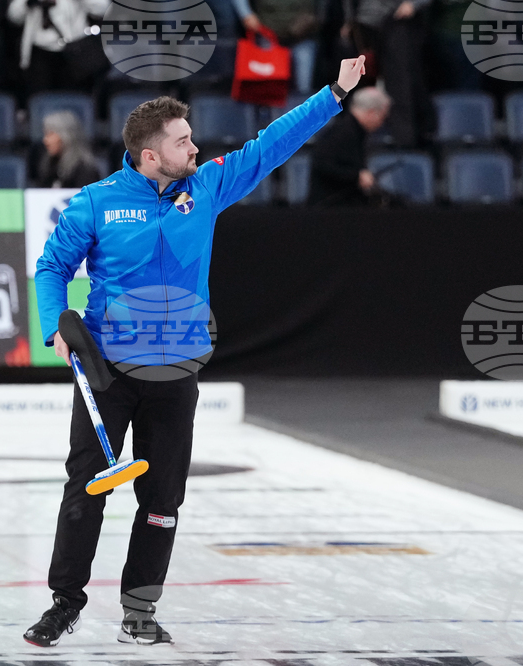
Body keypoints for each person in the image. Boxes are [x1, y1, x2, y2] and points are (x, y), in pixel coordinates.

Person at [26, 55, 366, 648]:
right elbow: (53, 265)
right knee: (85, 488)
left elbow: (270, 145)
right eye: (184, 140)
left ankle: (139, 608)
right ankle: (65, 602)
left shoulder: (205, 186)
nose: (196, 146)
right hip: (107, 369)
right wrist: (57, 322)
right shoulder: (95, 202)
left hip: (176, 369)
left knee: (162, 498)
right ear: (150, 154)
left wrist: (335, 93)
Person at [343, 0, 433, 146]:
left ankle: (405, 143)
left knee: (401, 85)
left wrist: (414, 4)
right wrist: (349, 20)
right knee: (355, 82)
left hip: (398, 19)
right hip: (364, 24)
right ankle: (355, 141)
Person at [6, 0, 109, 96]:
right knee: (40, 98)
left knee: (76, 98)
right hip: (39, 52)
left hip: (75, 51)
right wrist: (28, 2)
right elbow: (13, 17)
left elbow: (102, 8)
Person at [309, 86, 390, 205]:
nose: (381, 123)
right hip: (329, 206)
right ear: (372, 112)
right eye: (382, 117)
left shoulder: (351, 129)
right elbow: (322, 163)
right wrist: (357, 176)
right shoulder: (343, 132)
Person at [35, 111, 101, 188]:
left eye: (50, 134)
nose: (45, 140)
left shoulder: (86, 171)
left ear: (66, 136)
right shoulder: (48, 166)